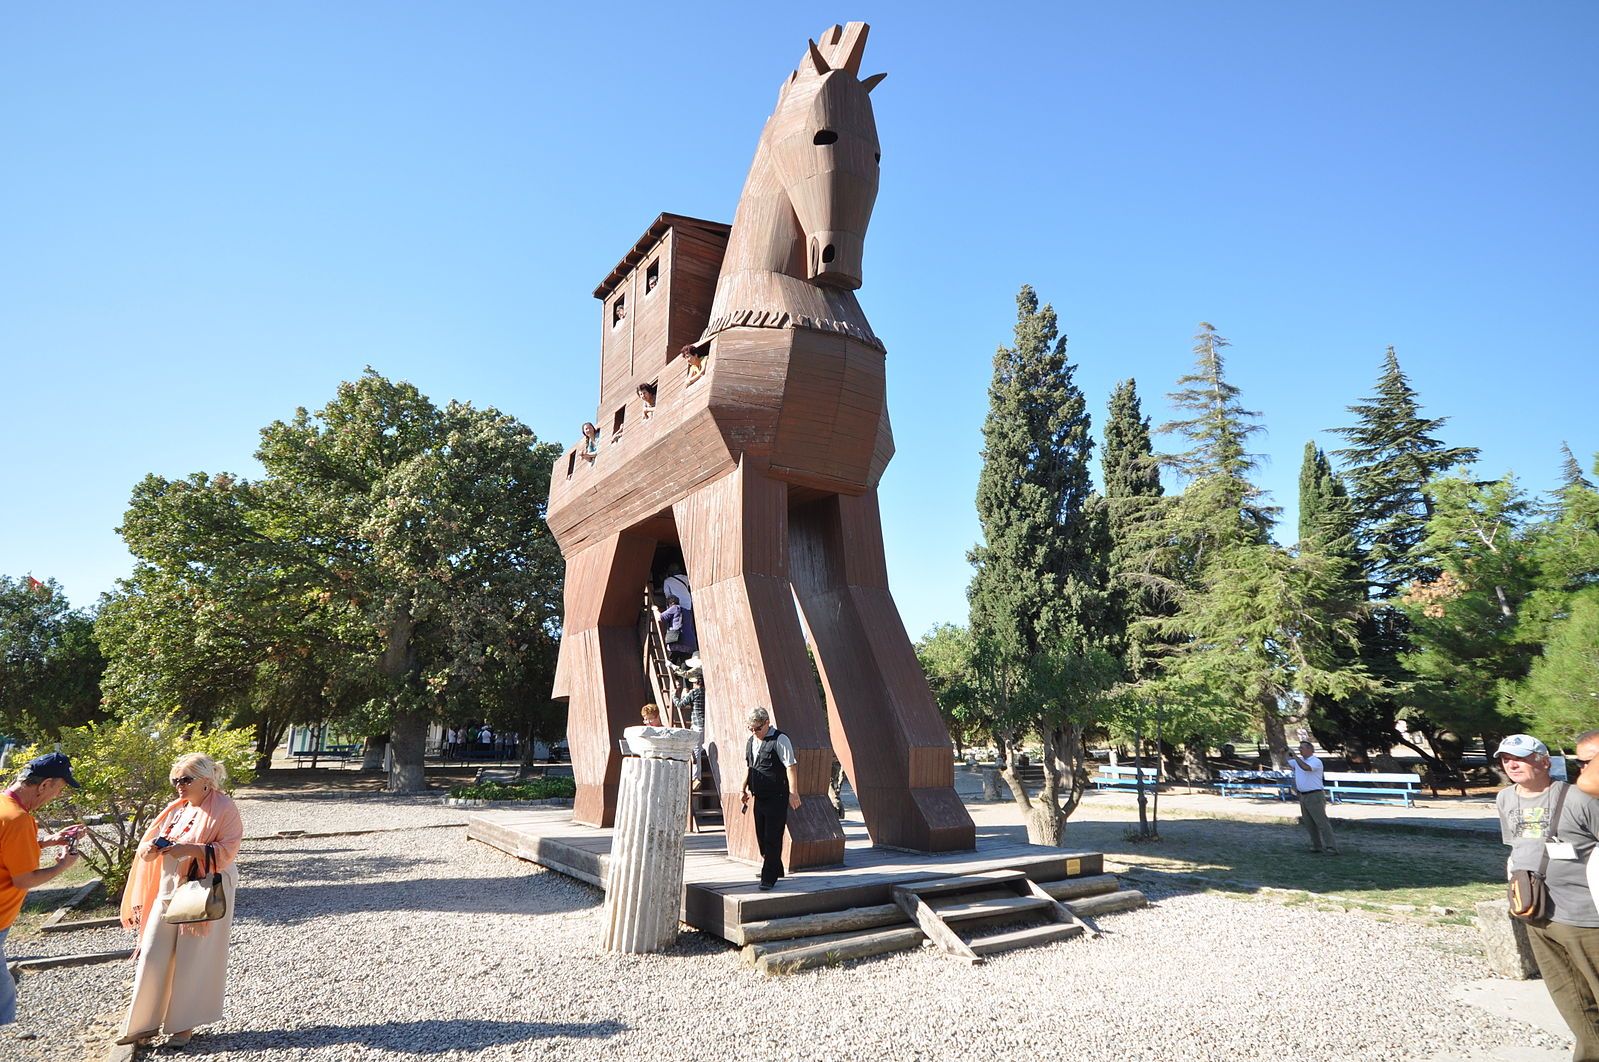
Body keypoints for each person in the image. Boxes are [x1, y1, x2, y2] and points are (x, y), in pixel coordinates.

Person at [118, 753, 245, 1049]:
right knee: (152, 951)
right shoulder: (177, 808)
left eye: (186, 779)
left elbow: (229, 849)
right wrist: (150, 849)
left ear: (206, 781)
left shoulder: (224, 808)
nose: (179, 785)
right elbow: (153, 844)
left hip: (204, 887)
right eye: (176, 780)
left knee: (193, 956)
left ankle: (182, 1025)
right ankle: (143, 1024)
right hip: (167, 887)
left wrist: (190, 849)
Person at [1495, 733, 1599, 1058]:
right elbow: (1517, 847)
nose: (1512, 764)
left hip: (1584, 918)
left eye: (1521, 757)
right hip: (1536, 915)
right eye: (1505, 759)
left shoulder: (1579, 799)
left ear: (1543, 760)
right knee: (1571, 1002)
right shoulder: (1505, 799)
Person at [2, 753, 86, 1026]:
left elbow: (7, 855)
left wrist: (48, 842)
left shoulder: (5, 808)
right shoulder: (18, 820)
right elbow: (24, 879)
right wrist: (63, 866)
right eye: (59, 789)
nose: (56, 795)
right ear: (44, 784)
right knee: (3, 1001)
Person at [740, 707, 801, 891]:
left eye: (757, 728)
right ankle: (775, 866)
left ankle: (769, 877)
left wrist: (794, 792)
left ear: (767, 723)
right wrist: (743, 787)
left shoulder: (780, 739)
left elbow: (790, 766)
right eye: (750, 728)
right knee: (761, 836)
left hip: (777, 796)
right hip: (759, 796)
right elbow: (750, 767)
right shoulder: (751, 741)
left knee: (772, 837)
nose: (754, 732)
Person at [1286, 741, 1337, 854]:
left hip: (1315, 795)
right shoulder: (1298, 761)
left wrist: (1295, 756)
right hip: (1303, 795)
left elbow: (1306, 768)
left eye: (1302, 748)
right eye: (1299, 748)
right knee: (1309, 823)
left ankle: (1331, 847)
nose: (1300, 750)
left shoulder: (1315, 761)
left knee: (1321, 822)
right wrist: (1285, 752)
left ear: (1310, 749)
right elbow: (1288, 763)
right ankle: (1316, 845)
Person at [660, 594, 697, 664]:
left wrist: (655, 610)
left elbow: (661, 617)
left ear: (670, 603)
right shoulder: (687, 612)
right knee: (685, 667)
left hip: (677, 641)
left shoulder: (674, 607)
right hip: (689, 644)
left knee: (671, 664)